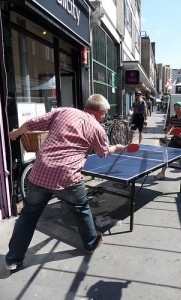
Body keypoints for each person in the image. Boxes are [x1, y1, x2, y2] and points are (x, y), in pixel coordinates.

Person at [5, 94, 126, 271]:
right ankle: (91, 244)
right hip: (67, 176)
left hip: (41, 172)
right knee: (82, 210)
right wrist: (117, 147)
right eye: (105, 113)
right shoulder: (96, 127)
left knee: (28, 216)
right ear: (99, 112)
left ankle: (13, 260)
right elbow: (103, 152)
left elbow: (31, 123)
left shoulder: (63, 111)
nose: (105, 116)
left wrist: (15, 133)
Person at [154, 101, 181, 180]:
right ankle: (162, 173)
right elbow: (170, 126)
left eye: (179, 108)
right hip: (175, 140)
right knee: (166, 157)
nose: (177, 110)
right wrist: (166, 135)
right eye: (175, 109)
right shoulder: (173, 117)